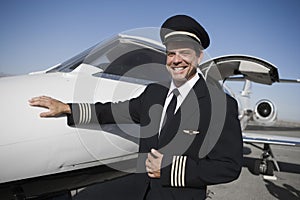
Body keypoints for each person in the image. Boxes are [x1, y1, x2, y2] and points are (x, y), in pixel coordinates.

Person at [29, 15, 243, 200]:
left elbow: (228, 166)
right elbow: (112, 111)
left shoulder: (220, 104)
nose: (176, 60)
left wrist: (168, 169)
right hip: (141, 191)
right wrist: (67, 108)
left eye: (184, 53)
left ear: (199, 56)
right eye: (171, 54)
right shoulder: (154, 93)